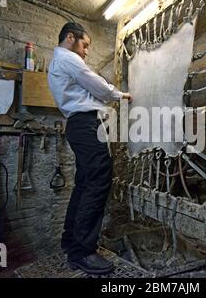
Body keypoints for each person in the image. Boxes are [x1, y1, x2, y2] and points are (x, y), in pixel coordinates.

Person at [48, 22, 132, 275]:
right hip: (85, 125)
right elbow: (96, 86)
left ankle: (71, 243)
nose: (85, 52)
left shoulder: (57, 61)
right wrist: (121, 95)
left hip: (78, 126)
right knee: (97, 182)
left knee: (85, 184)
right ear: (70, 38)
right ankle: (84, 251)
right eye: (85, 45)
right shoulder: (68, 58)